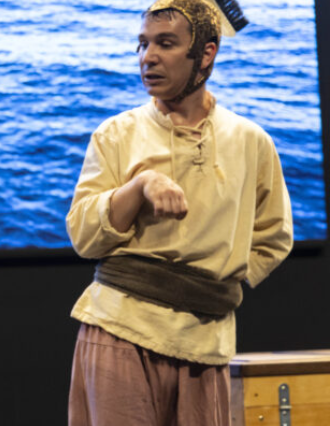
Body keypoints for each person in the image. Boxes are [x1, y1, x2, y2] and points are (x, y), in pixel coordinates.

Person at [65, 0, 293, 424]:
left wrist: (214, 280)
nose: (147, 57)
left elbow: (274, 235)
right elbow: (83, 236)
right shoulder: (116, 134)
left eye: (165, 44)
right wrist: (139, 186)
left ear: (206, 53)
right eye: (143, 44)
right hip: (121, 330)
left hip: (205, 342)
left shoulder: (251, 140)